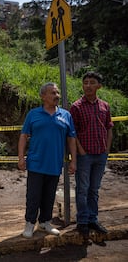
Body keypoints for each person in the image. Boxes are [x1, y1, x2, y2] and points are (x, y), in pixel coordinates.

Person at [18, 82, 77, 238]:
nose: (56, 96)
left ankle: (45, 222)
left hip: (55, 164)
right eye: (53, 93)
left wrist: (73, 161)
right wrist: (21, 158)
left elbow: (71, 139)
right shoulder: (33, 114)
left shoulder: (66, 115)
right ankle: (30, 223)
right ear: (43, 96)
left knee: (49, 196)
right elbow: (23, 136)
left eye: (57, 93)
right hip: (36, 163)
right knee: (33, 196)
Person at [70, 71, 113, 239]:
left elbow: (109, 127)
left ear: (98, 86)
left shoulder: (105, 106)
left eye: (91, 82)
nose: (88, 85)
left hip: (100, 155)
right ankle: (82, 221)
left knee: (94, 190)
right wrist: (81, 151)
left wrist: (106, 150)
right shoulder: (76, 106)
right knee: (82, 189)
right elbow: (72, 132)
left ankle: (93, 219)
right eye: (85, 82)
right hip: (85, 156)